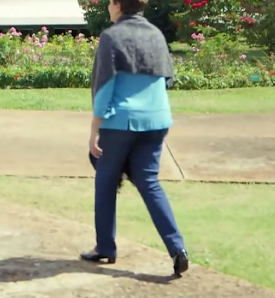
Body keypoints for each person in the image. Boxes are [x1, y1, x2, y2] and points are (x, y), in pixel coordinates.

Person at [79, 0, 189, 277]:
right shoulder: (156, 34)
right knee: (149, 183)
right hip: (157, 119)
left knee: (105, 182)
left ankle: (105, 247)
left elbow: (104, 87)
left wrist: (94, 129)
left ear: (116, 6)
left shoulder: (111, 36)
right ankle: (178, 249)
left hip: (120, 122)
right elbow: (166, 79)